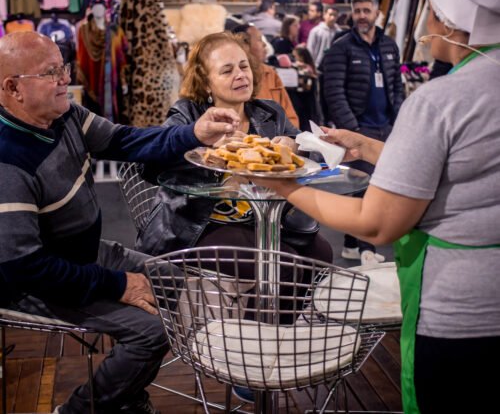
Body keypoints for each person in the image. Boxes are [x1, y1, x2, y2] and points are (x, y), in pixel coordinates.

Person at [252, 0, 500, 414]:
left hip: (461, 314)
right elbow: (462, 168)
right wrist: (368, 146)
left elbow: (377, 222)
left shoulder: (441, 100)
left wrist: (285, 184)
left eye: (431, 11)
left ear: (449, 20)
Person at [0, 32, 240, 414]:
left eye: (64, 67)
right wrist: (118, 284)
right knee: (153, 332)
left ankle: (124, 396)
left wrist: (194, 132)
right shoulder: (8, 162)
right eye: (51, 72)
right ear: (13, 88)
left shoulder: (67, 116)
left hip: (82, 255)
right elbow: (25, 268)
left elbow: (126, 141)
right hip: (37, 282)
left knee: (182, 283)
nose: (65, 79)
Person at [138, 31, 333, 269]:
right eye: (227, 71)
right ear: (206, 83)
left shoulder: (269, 113)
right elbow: (148, 166)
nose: (240, 75)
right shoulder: (187, 115)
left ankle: (276, 294)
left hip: (260, 220)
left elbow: (311, 150)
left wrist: (295, 147)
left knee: (321, 255)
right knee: (281, 265)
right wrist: (206, 147)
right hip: (198, 227)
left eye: (244, 66)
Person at [322, 0, 404, 264]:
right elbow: (333, 92)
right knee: (366, 188)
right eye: (357, 11)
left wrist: (398, 120)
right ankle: (368, 249)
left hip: (386, 127)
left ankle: (351, 245)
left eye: (366, 10)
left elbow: (397, 85)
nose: (361, 16)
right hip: (358, 129)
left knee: (379, 186)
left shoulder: (389, 45)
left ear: (376, 13)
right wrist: (352, 129)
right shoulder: (341, 47)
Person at [233, 23, 299, 128]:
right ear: (244, 45)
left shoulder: (270, 73)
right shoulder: (234, 77)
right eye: (259, 39)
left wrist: (288, 136)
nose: (264, 44)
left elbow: (291, 118)